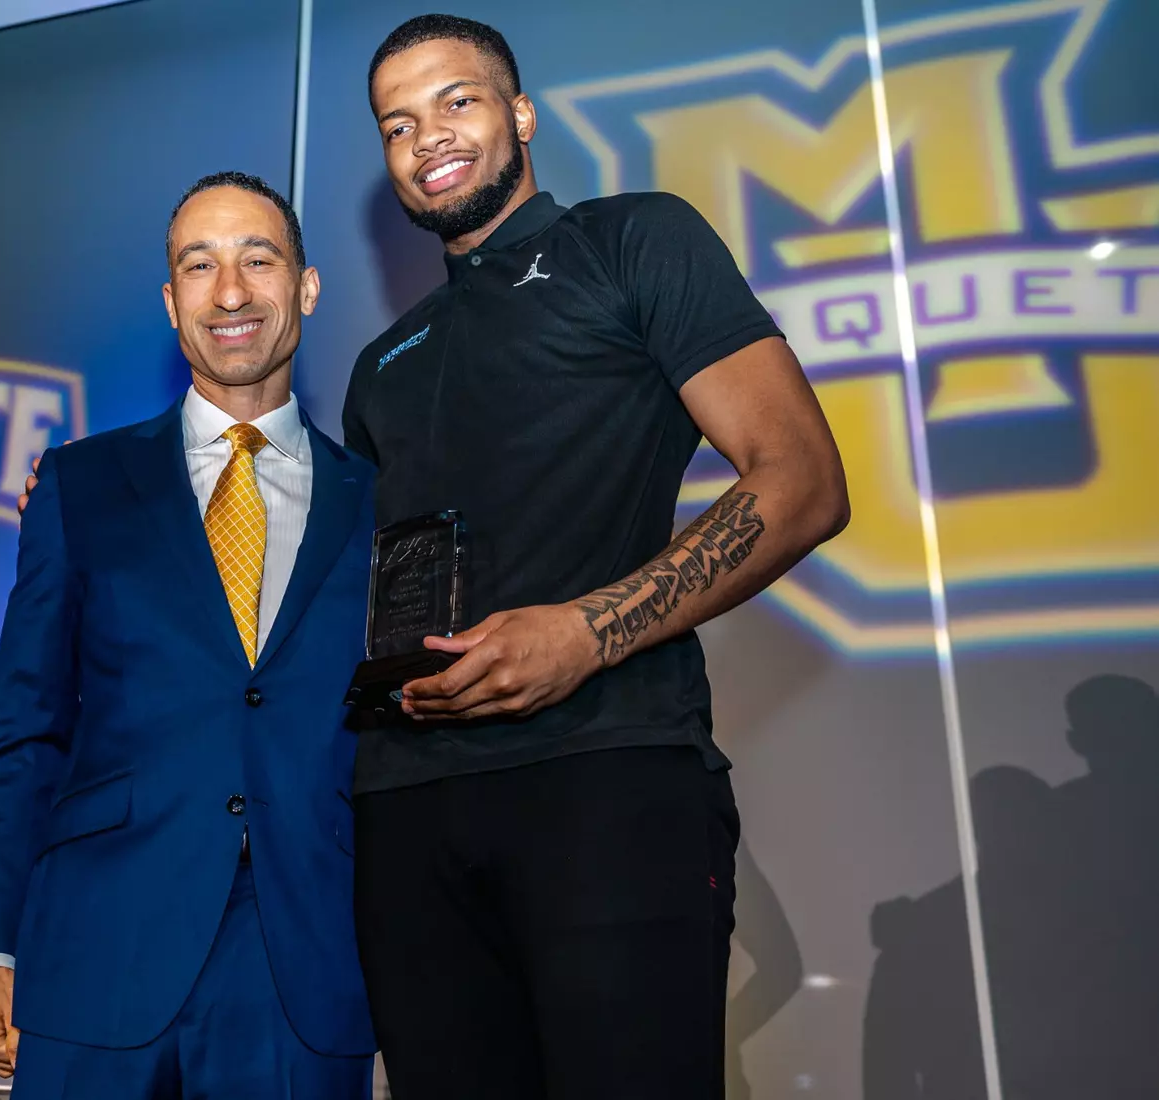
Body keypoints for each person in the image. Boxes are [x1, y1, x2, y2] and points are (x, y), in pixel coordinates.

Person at [339, 15, 850, 1099]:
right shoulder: (380, 365)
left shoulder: (632, 241)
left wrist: (583, 631)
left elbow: (800, 477)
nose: (428, 135)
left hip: (605, 777)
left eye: (457, 101)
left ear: (521, 115)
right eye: (398, 122)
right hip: (405, 810)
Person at [0, 171, 376, 1100]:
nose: (230, 292)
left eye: (258, 260)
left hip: (310, 968)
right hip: (93, 959)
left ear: (305, 288)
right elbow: (22, 726)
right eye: (200, 265)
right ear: (170, 302)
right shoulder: (78, 483)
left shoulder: (383, 502)